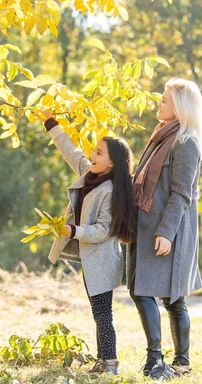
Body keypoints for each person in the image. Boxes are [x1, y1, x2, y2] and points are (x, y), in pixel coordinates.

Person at [37, 109, 137, 375]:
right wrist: (51, 124)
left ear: (113, 163)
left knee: (103, 313)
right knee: (99, 312)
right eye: (94, 151)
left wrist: (75, 230)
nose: (93, 156)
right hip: (91, 259)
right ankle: (103, 360)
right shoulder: (88, 175)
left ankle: (111, 363)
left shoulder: (111, 191)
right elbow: (70, 151)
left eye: (100, 153)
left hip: (103, 259)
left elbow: (103, 230)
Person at [128, 78, 202, 380]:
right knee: (142, 290)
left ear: (180, 107)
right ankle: (165, 362)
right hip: (145, 225)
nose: (159, 102)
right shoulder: (160, 137)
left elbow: (181, 193)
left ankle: (171, 363)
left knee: (173, 298)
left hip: (168, 229)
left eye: (165, 99)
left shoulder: (186, 143)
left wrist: (166, 232)